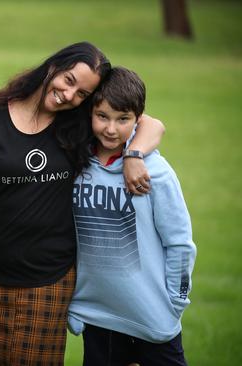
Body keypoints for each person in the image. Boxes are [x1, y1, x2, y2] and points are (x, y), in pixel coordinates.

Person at [0, 42, 165, 365]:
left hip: (49, 276)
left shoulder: (78, 125)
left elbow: (148, 122)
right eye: (68, 80)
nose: (70, 95)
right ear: (53, 66)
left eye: (82, 94)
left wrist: (133, 155)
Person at [68, 66, 196, 366]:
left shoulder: (155, 173)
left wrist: (176, 302)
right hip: (99, 319)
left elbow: (179, 243)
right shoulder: (75, 163)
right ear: (90, 114)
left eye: (122, 119)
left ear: (137, 119)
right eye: (103, 117)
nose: (111, 129)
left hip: (152, 320)